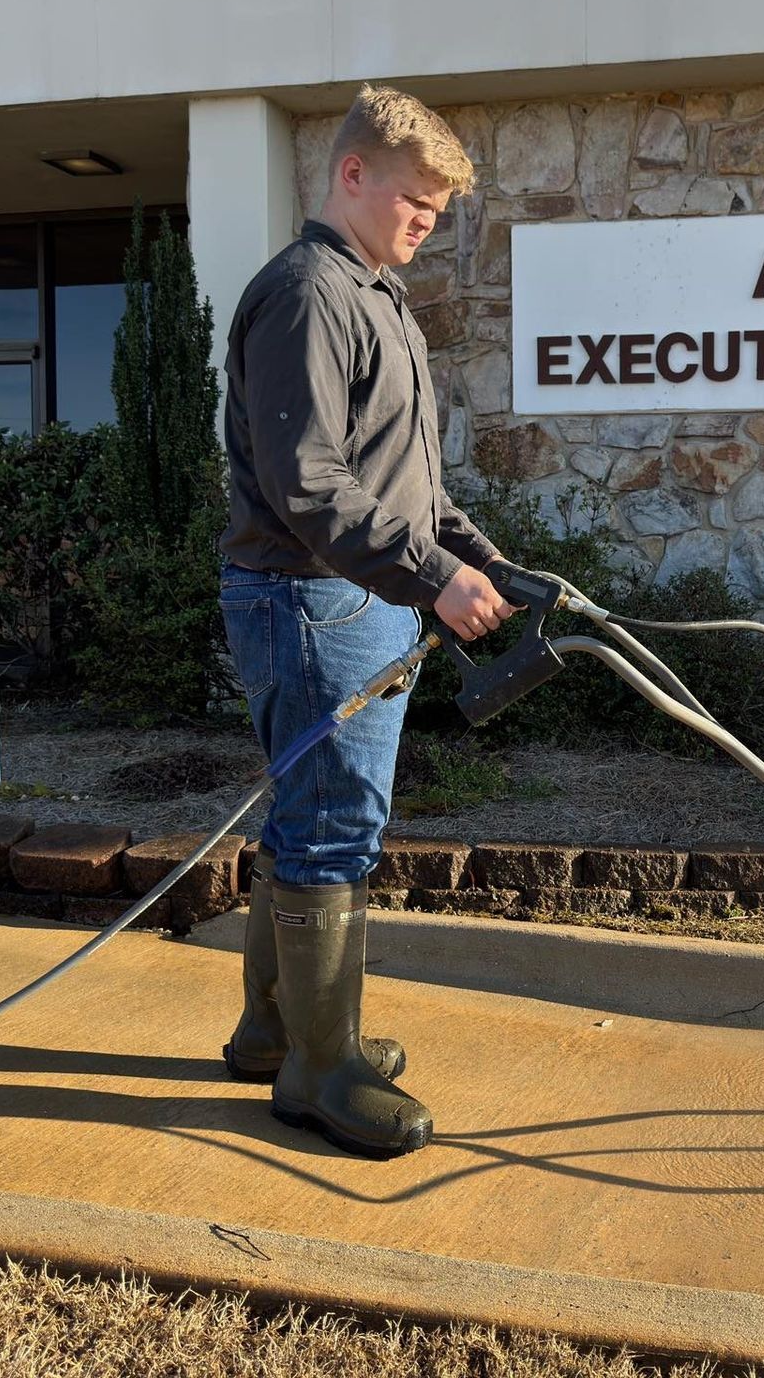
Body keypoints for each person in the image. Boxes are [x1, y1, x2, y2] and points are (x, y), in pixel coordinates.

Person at [216, 85, 515, 1159]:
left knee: (306, 815)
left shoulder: (375, 297)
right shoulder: (307, 294)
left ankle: (273, 1028)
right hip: (313, 599)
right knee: (333, 829)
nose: (427, 221)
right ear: (351, 174)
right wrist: (429, 577)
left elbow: (409, 492)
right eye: (414, 199)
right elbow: (309, 486)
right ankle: (319, 1071)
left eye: (439, 207)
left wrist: (487, 566)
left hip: (358, 595)